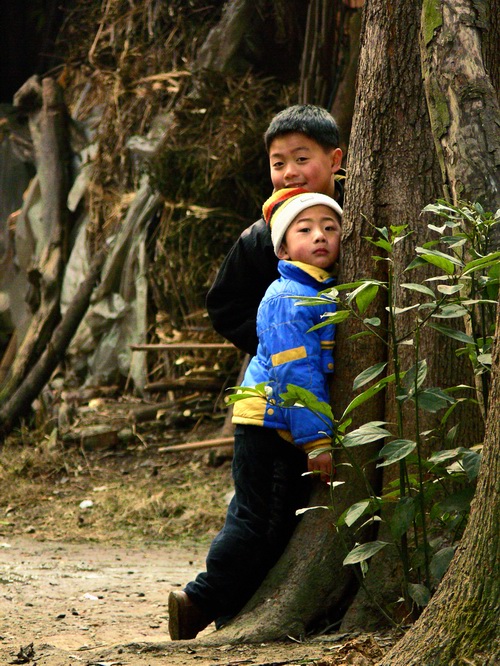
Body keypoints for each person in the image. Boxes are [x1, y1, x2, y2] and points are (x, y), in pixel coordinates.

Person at [168, 186, 342, 641]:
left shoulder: (317, 289)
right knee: (258, 522)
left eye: (330, 227)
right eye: (305, 230)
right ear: (283, 247)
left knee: (272, 521)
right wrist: (317, 440)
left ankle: (223, 607)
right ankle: (200, 600)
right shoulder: (287, 296)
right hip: (270, 423)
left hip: (277, 423)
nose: (320, 236)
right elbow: (296, 374)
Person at [206, 104, 344, 357]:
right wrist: (279, 343)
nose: (290, 173)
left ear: (334, 160)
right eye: (278, 164)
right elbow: (225, 306)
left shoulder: (361, 209)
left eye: (302, 159)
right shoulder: (262, 236)